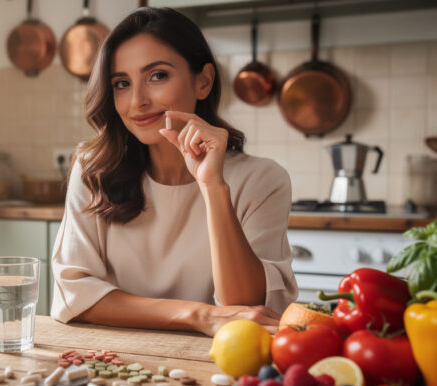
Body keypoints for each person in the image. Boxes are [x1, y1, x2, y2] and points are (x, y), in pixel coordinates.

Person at [50, 7, 297, 336]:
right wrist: (199, 316)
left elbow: (246, 311)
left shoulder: (262, 180)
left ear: (203, 81)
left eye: (157, 76)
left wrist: (213, 187)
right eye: (122, 83)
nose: (137, 101)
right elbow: (75, 296)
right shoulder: (93, 169)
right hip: (118, 356)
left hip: (220, 357)